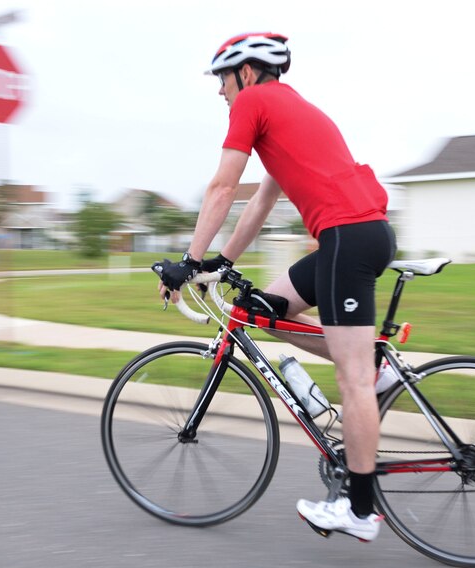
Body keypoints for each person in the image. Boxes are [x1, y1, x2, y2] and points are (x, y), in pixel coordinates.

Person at [156, 33, 396, 542]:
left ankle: (358, 509)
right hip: (360, 235)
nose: (220, 91)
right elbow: (261, 201)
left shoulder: (255, 103)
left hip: (345, 238)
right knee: (264, 307)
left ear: (244, 73)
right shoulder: (291, 112)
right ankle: (373, 366)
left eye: (222, 79)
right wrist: (222, 261)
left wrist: (188, 261)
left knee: (352, 381)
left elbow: (223, 186)